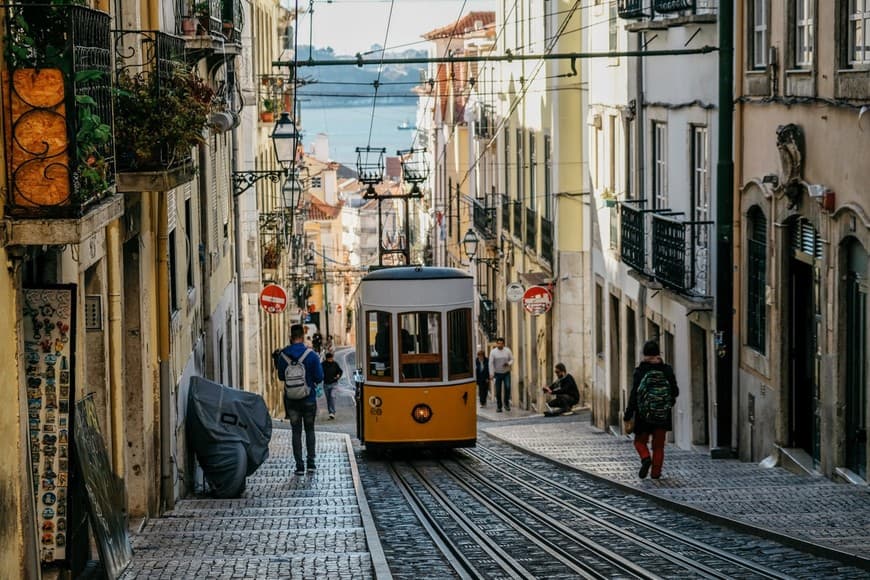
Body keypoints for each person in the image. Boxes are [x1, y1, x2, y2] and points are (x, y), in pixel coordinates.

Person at [623, 340, 679, 480]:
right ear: (658, 353)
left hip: (643, 415)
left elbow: (634, 394)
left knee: (639, 442)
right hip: (662, 415)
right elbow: (675, 391)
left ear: (644, 354)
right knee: (658, 446)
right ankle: (656, 473)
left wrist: (628, 414)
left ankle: (645, 458)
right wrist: (667, 404)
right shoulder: (667, 370)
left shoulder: (640, 371)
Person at [275, 324, 324, 476]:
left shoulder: (283, 355)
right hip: (308, 398)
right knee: (310, 430)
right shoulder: (311, 355)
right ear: (302, 337)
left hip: (291, 399)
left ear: (290, 337)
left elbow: (281, 376)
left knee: (296, 432)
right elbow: (319, 377)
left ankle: (299, 466)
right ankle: (311, 463)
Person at [488, 337, 514, 412]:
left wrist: (508, 363)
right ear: (496, 344)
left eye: (501, 343)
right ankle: (499, 406)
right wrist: (491, 374)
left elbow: (512, 359)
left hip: (506, 373)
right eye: (498, 343)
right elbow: (491, 363)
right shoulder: (493, 352)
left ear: (504, 344)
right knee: (498, 390)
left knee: (508, 387)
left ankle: (506, 403)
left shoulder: (507, 350)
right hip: (497, 374)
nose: (500, 345)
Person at [321, 351, 343, 420]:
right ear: (326, 359)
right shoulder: (322, 364)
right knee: (328, 399)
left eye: (332, 358)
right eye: (330, 359)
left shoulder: (335, 364)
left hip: (334, 384)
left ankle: (333, 412)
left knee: (332, 397)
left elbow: (340, 371)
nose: (331, 360)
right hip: (326, 384)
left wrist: (338, 375)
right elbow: (319, 372)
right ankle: (330, 412)